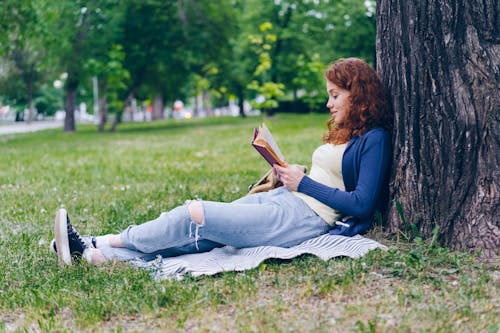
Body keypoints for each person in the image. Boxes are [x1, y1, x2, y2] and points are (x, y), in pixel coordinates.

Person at [51, 57, 392, 266]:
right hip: (287, 199)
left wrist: (303, 183)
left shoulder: (374, 138)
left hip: (306, 218)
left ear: (357, 94)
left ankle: (105, 240)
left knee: (195, 215)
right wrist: (297, 173)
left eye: (335, 95)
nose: (328, 104)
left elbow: (362, 203)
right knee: (201, 238)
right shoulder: (346, 132)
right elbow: (331, 175)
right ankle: (92, 256)